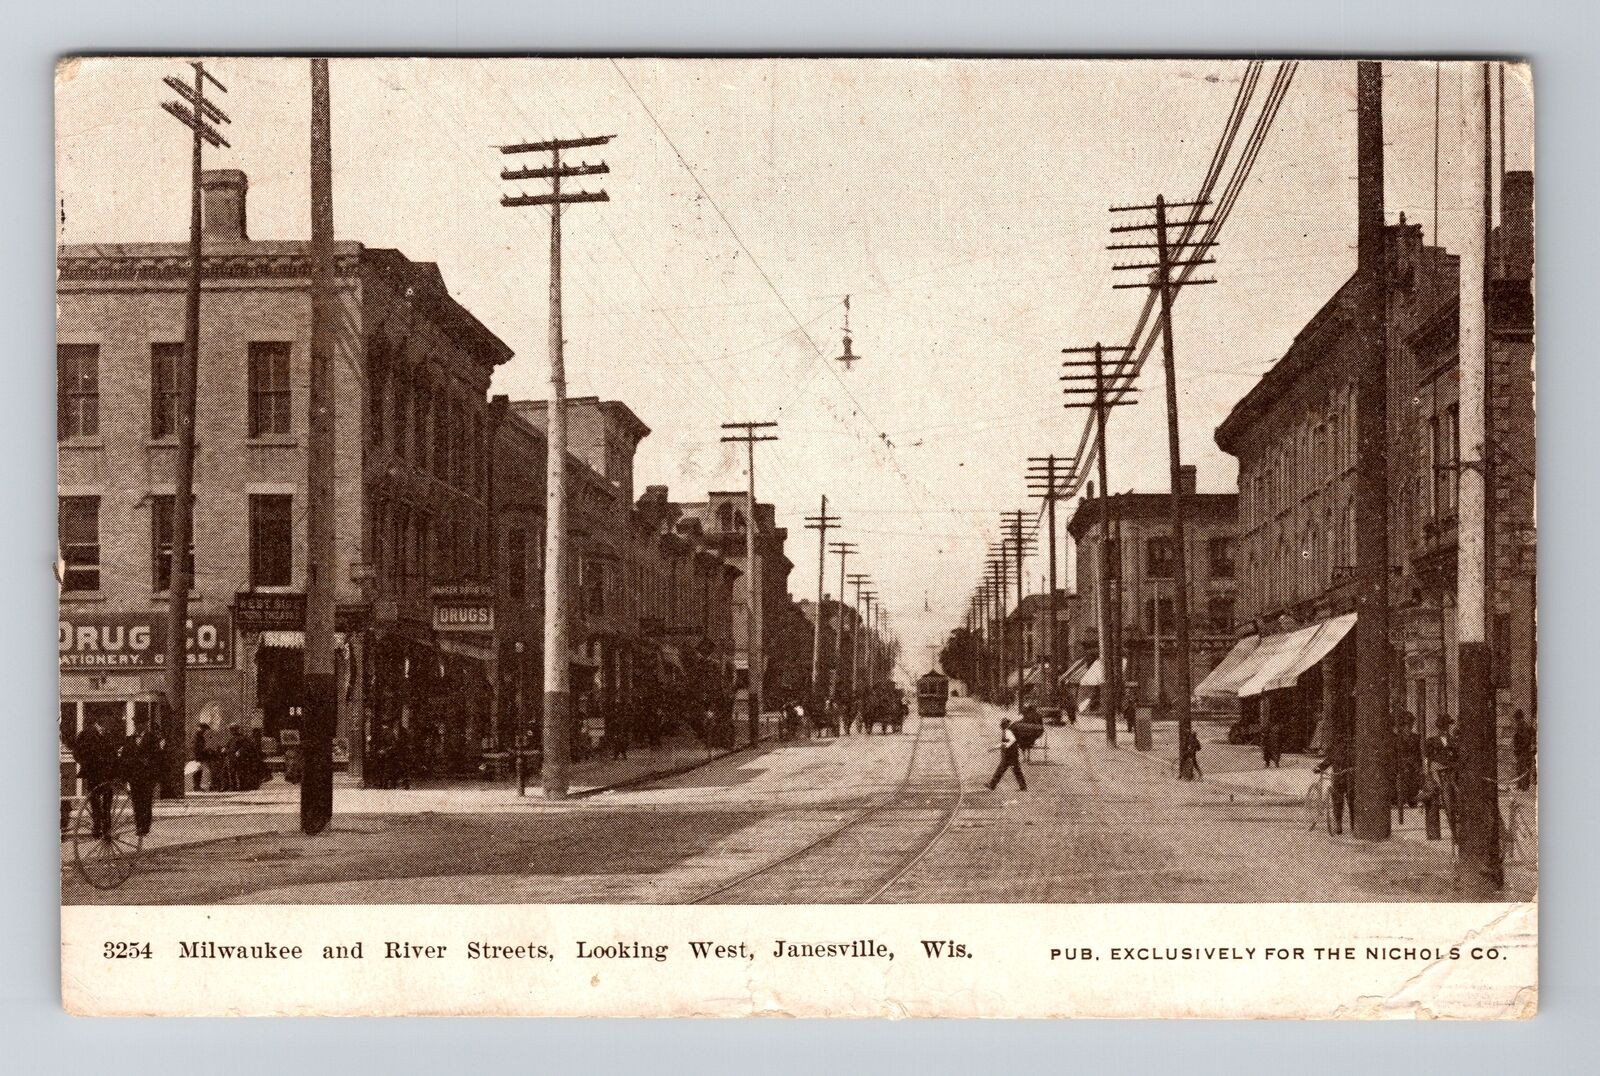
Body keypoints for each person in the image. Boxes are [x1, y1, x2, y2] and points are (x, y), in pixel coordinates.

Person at [70, 712, 123, 839]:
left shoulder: (107, 735)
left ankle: (106, 824)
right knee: (94, 799)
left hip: (107, 773)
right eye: (107, 724)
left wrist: (116, 770)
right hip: (93, 772)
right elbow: (76, 751)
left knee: (107, 798)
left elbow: (113, 754)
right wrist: (85, 763)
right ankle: (97, 824)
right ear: (101, 723)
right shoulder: (86, 734)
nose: (109, 728)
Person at [123, 710, 166, 837]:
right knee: (136, 802)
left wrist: (150, 765)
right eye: (136, 723)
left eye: (141, 723)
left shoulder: (152, 738)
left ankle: (145, 826)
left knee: (146, 801)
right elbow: (125, 757)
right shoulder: (130, 739)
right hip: (134, 776)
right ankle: (138, 825)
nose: (138, 725)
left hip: (147, 776)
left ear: (146, 724)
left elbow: (158, 757)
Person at [1315, 730, 1355, 835]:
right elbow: (1328, 761)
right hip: (1338, 778)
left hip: (1349, 778)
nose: (1344, 744)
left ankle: (1353, 824)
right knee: (1338, 801)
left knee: (1351, 801)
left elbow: (1358, 764)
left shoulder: (1353, 751)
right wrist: (1319, 767)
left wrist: (1352, 769)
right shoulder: (1335, 751)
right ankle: (1338, 823)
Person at [987, 717, 1027, 792]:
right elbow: (1004, 743)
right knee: (1014, 770)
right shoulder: (1007, 731)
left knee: (1003, 770)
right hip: (1011, 754)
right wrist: (994, 748)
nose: (1001, 726)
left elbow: (1012, 740)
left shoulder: (1008, 731)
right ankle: (1023, 787)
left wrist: (1007, 746)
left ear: (1004, 725)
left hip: (1010, 754)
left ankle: (992, 785)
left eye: (1002, 725)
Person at [1392, 711, 1423, 810]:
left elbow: (1419, 754)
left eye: (1410, 724)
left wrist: (1420, 766)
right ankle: (1399, 798)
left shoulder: (1416, 737)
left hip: (1413, 765)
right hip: (1400, 764)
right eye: (1406, 724)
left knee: (1414, 777)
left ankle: (1411, 798)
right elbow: (1393, 754)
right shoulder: (1396, 738)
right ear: (1402, 725)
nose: (1408, 727)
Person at [1511, 710, 1535, 790]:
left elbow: (1526, 740)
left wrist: (1519, 748)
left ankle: (1524, 787)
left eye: (1516, 719)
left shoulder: (1523, 726)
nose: (1515, 721)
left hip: (1524, 751)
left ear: (1520, 718)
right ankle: (1520, 786)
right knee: (1519, 768)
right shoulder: (1520, 726)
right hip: (1521, 751)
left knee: (1523, 768)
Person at [191, 721, 212, 792]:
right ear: (200, 728)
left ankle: (197, 786)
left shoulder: (199, 735)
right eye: (204, 729)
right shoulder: (197, 735)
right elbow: (196, 747)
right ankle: (196, 786)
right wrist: (198, 755)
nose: (205, 731)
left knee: (198, 770)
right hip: (197, 756)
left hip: (198, 755)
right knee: (197, 770)